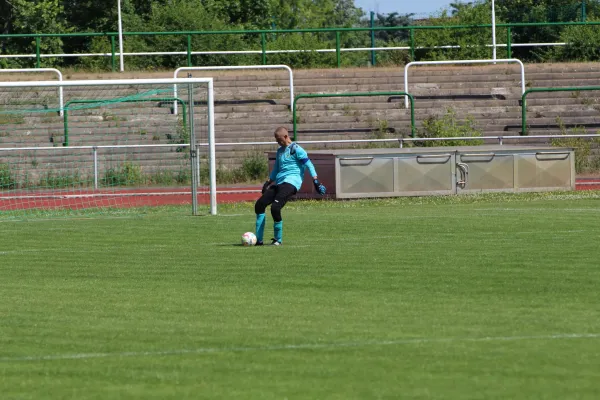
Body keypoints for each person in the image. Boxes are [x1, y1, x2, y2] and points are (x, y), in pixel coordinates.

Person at [254, 126, 326, 246]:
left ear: (286, 136)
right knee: (259, 205)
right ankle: (259, 240)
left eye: (279, 139)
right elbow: (276, 169)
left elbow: (309, 165)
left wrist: (316, 180)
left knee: (275, 208)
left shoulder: (296, 149)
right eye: (276, 140)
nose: (277, 142)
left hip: (291, 183)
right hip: (279, 182)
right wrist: (268, 182)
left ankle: (278, 240)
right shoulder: (280, 151)